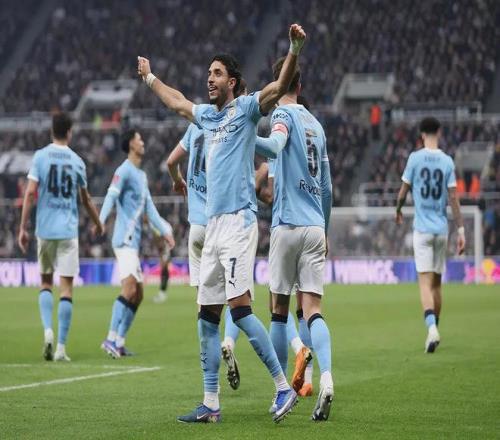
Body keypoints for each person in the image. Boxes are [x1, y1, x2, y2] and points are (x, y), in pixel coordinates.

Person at [138, 23, 306, 423]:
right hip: (212, 226)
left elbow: (277, 88)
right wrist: (150, 78)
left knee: (241, 310)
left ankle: (283, 388)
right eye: (208, 74)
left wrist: (294, 49)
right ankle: (211, 403)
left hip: (238, 223)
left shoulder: (246, 109)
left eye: (216, 74)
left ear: (232, 81)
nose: (209, 79)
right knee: (206, 316)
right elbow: (177, 102)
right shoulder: (206, 118)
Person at [255, 57, 334, 421]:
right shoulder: (317, 125)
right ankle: (324, 378)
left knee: (278, 310)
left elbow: (273, 147)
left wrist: (245, 136)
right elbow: (328, 188)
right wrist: (326, 230)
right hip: (316, 226)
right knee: (313, 310)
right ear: (300, 86)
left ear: (277, 85)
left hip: (287, 224)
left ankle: (281, 391)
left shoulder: (281, 116)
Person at [18, 112, 104, 361]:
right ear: (69, 132)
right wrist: (98, 223)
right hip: (67, 231)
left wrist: (22, 227)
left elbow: (30, 193)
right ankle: (61, 348)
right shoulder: (77, 161)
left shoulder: (40, 156)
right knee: (66, 289)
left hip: (45, 230)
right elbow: (86, 199)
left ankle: (48, 331)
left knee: (46, 282)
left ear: (51, 131)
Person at [100, 129, 175, 358]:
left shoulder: (141, 176)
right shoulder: (123, 171)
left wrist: (165, 232)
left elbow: (150, 209)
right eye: (139, 139)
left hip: (133, 243)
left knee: (138, 294)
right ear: (131, 144)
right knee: (129, 288)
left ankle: (119, 342)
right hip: (124, 240)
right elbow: (111, 195)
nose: (143, 142)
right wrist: (100, 220)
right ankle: (110, 339)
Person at [396, 117, 465, 353]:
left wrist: (398, 210)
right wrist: (461, 230)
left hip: (422, 229)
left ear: (421, 134)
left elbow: (403, 191)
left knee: (424, 283)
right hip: (442, 230)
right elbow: (453, 198)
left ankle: (432, 328)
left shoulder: (415, 158)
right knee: (437, 284)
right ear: (440, 132)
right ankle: (434, 330)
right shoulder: (447, 161)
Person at [151, 223, 172, 304]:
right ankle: (162, 292)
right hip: (165, 247)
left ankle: (162, 293)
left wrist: (162, 255)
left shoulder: (157, 226)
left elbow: (161, 241)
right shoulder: (158, 225)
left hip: (166, 247)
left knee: (164, 269)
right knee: (164, 270)